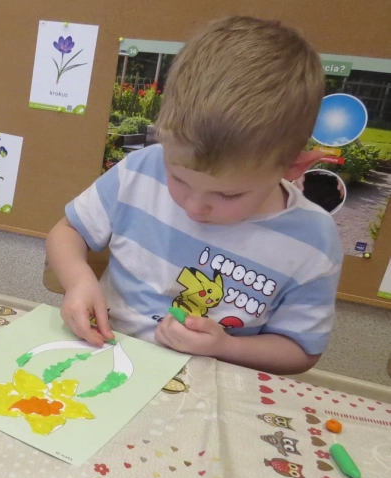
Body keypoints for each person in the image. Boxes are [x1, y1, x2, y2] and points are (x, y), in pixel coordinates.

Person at [46, 16, 341, 375]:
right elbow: (68, 231)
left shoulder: (313, 239)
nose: (194, 207)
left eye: (229, 195)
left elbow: (302, 352)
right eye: (178, 178)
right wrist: (78, 281)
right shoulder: (140, 170)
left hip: (208, 382)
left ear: (294, 167)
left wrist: (225, 346)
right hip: (106, 357)